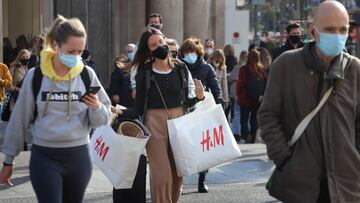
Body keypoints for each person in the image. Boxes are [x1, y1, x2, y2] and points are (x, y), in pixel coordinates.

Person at [0, 15, 111, 203]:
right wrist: (8, 159)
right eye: (71, 51)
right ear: (57, 46)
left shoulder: (86, 74)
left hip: (79, 156)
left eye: (80, 52)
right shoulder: (36, 76)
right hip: (45, 156)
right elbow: (19, 119)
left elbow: (103, 119)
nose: (76, 57)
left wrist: (96, 107)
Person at [258, 1, 360, 202]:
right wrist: (284, 158)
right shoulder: (286, 65)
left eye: (343, 30)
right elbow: (268, 115)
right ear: (313, 30)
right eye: (330, 29)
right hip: (300, 184)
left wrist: (355, 157)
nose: (338, 35)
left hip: (346, 185)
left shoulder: (355, 70)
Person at [116, 28, 205, 203]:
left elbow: (187, 102)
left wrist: (200, 97)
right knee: (162, 176)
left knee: (178, 176)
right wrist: (117, 111)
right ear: (149, 50)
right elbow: (138, 109)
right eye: (154, 45)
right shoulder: (145, 73)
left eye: (161, 42)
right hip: (155, 125)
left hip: (179, 123)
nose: (159, 46)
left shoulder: (180, 67)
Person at [180, 36, 221, 193]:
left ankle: (202, 179)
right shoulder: (180, 68)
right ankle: (180, 182)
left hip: (202, 113)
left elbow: (216, 91)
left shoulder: (207, 68)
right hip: (183, 111)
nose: (189, 55)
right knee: (182, 148)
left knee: (203, 147)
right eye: (186, 52)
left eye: (192, 52)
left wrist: (218, 108)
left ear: (198, 52)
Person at [237, 49, 267, 144]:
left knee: (244, 119)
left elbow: (240, 84)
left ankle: (246, 135)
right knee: (254, 119)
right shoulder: (262, 70)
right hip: (258, 99)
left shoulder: (243, 69)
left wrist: (238, 95)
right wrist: (262, 94)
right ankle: (252, 136)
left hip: (245, 98)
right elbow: (267, 83)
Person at [228, 50, 248, 141]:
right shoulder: (248, 68)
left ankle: (236, 133)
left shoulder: (237, 67)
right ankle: (246, 132)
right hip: (245, 94)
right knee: (247, 114)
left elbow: (230, 79)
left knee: (236, 113)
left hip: (236, 94)